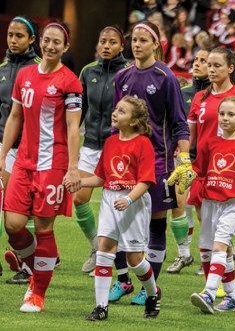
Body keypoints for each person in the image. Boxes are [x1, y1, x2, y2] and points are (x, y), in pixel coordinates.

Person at [1, 21, 82, 312]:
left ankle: (37, 292)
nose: (50, 46)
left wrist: (73, 167)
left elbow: (74, 128)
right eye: (46, 41)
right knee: (13, 225)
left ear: (65, 47)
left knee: (44, 228)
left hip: (53, 165)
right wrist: (2, 157)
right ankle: (40, 265)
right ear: (40, 42)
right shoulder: (24, 75)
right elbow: (14, 118)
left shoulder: (70, 81)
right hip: (23, 161)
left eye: (56, 42)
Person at [112, 21, 190, 305]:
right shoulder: (121, 77)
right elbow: (116, 121)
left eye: (144, 40)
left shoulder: (165, 77)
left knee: (156, 226)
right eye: (134, 39)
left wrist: (184, 160)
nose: (137, 44)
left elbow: (180, 124)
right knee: (118, 223)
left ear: (156, 44)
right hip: (125, 163)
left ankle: (150, 288)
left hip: (158, 162)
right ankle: (123, 281)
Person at [186, 47, 235, 302]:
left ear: (230, 68)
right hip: (204, 173)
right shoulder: (199, 98)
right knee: (210, 238)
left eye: (217, 65)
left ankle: (211, 289)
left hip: (232, 178)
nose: (211, 69)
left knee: (219, 238)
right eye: (208, 64)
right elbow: (191, 139)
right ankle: (229, 296)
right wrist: (185, 165)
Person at [82, 96, 159, 321]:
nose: (115, 113)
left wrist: (129, 199)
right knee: (104, 250)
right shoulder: (110, 142)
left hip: (133, 202)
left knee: (135, 259)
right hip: (109, 199)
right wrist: (79, 181)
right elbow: (100, 178)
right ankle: (101, 306)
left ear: (134, 121)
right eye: (116, 109)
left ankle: (153, 295)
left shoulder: (143, 143)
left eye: (122, 111)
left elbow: (145, 181)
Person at [74, 26, 128, 275]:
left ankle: (116, 256)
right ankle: (96, 247)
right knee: (79, 198)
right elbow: (79, 111)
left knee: (114, 205)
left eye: (112, 42)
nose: (106, 46)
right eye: (103, 41)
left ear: (121, 46)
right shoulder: (87, 72)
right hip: (90, 146)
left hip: (118, 148)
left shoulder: (128, 72)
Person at [0, 16, 41, 285]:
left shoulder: (40, 69)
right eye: (10, 35)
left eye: (19, 36)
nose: (13, 40)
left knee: (19, 219)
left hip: (31, 152)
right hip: (4, 147)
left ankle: (35, 263)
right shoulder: (2, 69)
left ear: (32, 39)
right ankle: (31, 262)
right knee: (7, 215)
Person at [166, 48, 211, 275]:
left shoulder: (218, 95)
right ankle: (184, 253)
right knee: (178, 204)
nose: (198, 64)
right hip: (185, 157)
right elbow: (175, 123)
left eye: (204, 61)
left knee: (206, 211)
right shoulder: (183, 94)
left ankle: (212, 256)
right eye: (197, 60)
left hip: (211, 160)